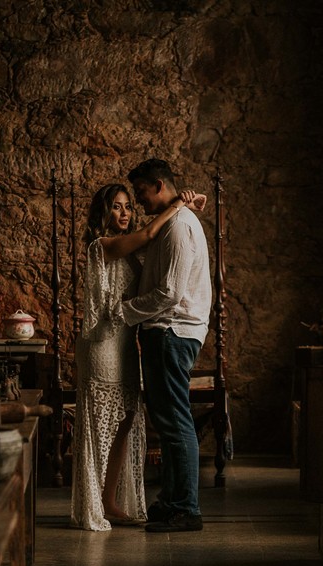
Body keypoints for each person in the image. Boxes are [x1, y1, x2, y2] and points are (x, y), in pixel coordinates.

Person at [70, 182, 205, 531]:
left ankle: (109, 499)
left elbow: (162, 257)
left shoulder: (131, 254)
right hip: (101, 344)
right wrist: (177, 205)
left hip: (127, 342)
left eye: (129, 205)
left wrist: (185, 210)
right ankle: (93, 500)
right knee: (101, 421)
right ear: (103, 212)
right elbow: (148, 234)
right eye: (117, 207)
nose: (125, 212)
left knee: (127, 420)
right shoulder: (101, 246)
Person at [116, 158, 212, 533]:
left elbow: (169, 294)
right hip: (163, 332)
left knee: (174, 422)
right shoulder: (171, 222)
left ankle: (186, 508)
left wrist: (123, 312)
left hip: (171, 332)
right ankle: (171, 500)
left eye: (140, 192)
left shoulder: (179, 227)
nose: (138, 201)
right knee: (169, 420)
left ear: (158, 185)